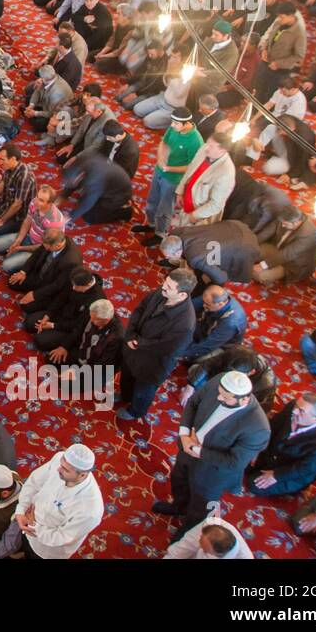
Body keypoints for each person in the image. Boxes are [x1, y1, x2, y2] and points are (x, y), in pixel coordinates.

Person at [152, 371, 270, 532]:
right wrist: (185, 434)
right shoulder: (220, 382)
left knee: (200, 507)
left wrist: (196, 449)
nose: (219, 398)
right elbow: (193, 402)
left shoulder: (257, 428)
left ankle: (186, 533)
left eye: (225, 398)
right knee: (179, 480)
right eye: (220, 394)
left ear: (244, 399)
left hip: (212, 472)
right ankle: (178, 507)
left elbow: (234, 462)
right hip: (187, 448)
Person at [117, 269, 198, 420]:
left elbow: (167, 347)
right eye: (165, 283)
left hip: (153, 363)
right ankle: (125, 395)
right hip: (134, 348)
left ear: (182, 295)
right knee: (127, 375)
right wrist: (131, 334)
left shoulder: (185, 323)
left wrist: (139, 343)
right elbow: (140, 309)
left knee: (143, 390)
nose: (163, 287)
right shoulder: (162, 293)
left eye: (169, 287)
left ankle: (135, 412)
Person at [12, 444, 104, 559]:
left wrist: (34, 526)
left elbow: (62, 537)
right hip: (27, 523)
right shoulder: (60, 461)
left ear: (82, 475)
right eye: (61, 464)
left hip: (46, 550)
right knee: (24, 547)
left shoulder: (90, 510)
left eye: (65, 469)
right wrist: (21, 509)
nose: (58, 469)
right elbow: (34, 482)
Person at [248, 392, 316, 497]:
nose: (294, 411)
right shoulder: (293, 406)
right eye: (296, 406)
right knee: (239, 461)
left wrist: (276, 475)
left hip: (290, 471)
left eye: (301, 411)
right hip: (272, 452)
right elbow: (273, 426)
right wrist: (258, 448)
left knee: (254, 484)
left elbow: (304, 469)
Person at [135, 108, 203, 244]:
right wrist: (161, 158)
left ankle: (160, 233)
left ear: (186, 124)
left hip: (173, 180)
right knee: (152, 199)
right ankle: (151, 224)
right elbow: (163, 143)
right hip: (160, 171)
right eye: (172, 122)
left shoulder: (196, 141)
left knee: (165, 208)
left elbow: (192, 167)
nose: (172, 125)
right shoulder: (174, 128)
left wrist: (169, 168)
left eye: (176, 124)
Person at [163, 516, 254, 559]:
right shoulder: (210, 524)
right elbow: (185, 545)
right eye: (200, 539)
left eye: (205, 549)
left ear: (218, 555)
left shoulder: (244, 557)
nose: (199, 544)